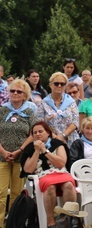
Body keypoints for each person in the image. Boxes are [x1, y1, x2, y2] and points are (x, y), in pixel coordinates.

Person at [20, 121, 77, 227]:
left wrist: (44, 150)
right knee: (50, 186)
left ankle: (68, 217)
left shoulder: (58, 144)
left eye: (40, 131)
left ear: (48, 133)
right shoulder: (29, 148)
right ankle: (50, 220)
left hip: (60, 172)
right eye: (35, 132)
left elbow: (61, 163)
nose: (37, 134)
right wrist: (37, 151)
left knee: (68, 184)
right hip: (42, 175)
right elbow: (28, 169)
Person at [0, 79, 35, 227]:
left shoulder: (29, 112)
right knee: (0, 193)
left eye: (19, 91)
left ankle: (13, 223)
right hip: (1, 158)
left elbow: (33, 133)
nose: (15, 93)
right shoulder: (2, 110)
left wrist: (19, 151)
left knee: (16, 194)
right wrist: (3, 151)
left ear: (24, 95)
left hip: (20, 158)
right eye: (13, 91)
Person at [36, 72, 78, 144]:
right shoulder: (43, 103)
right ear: (50, 85)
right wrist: (54, 137)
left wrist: (63, 135)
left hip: (70, 140)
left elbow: (75, 122)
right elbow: (40, 123)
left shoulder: (71, 102)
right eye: (56, 83)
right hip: (50, 140)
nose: (59, 86)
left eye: (62, 84)